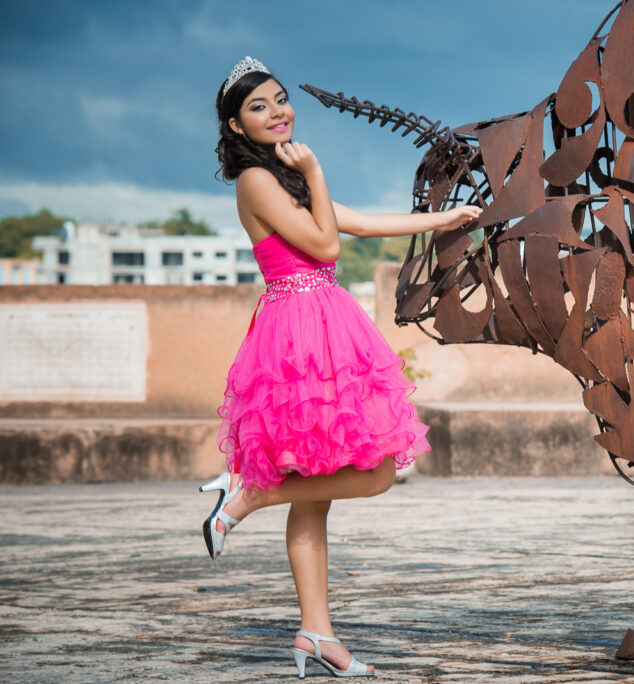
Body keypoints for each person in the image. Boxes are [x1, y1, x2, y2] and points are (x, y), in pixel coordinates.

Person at [200, 56, 481, 678]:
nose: (277, 112)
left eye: (279, 100)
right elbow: (326, 246)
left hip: (324, 327)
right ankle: (243, 497)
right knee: (378, 473)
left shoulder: (286, 176)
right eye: (259, 107)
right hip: (298, 334)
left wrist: (445, 219)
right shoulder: (256, 181)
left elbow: (354, 224)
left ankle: (316, 635)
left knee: (316, 497)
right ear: (236, 126)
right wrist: (317, 169)